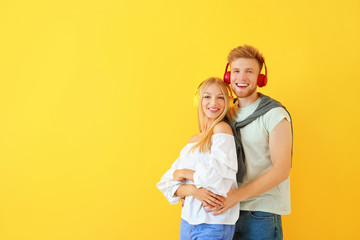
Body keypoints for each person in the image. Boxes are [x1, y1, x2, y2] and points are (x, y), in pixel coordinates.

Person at [208, 45, 293, 240]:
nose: (242, 78)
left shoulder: (274, 114)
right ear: (228, 76)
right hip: (226, 211)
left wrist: (237, 196)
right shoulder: (224, 114)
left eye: (249, 72)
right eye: (236, 71)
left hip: (261, 212)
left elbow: (282, 169)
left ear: (260, 78)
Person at [156, 77, 241, 240]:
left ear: (227, 102)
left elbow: (218, 178)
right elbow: (167, 181)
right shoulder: (193, 140)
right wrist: (192, 190)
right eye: (207, 96)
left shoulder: (222, 129)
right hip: (188, 222)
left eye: (220, 97)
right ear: (199, 101)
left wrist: (185, 173)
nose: (213, 103)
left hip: (214, 222)